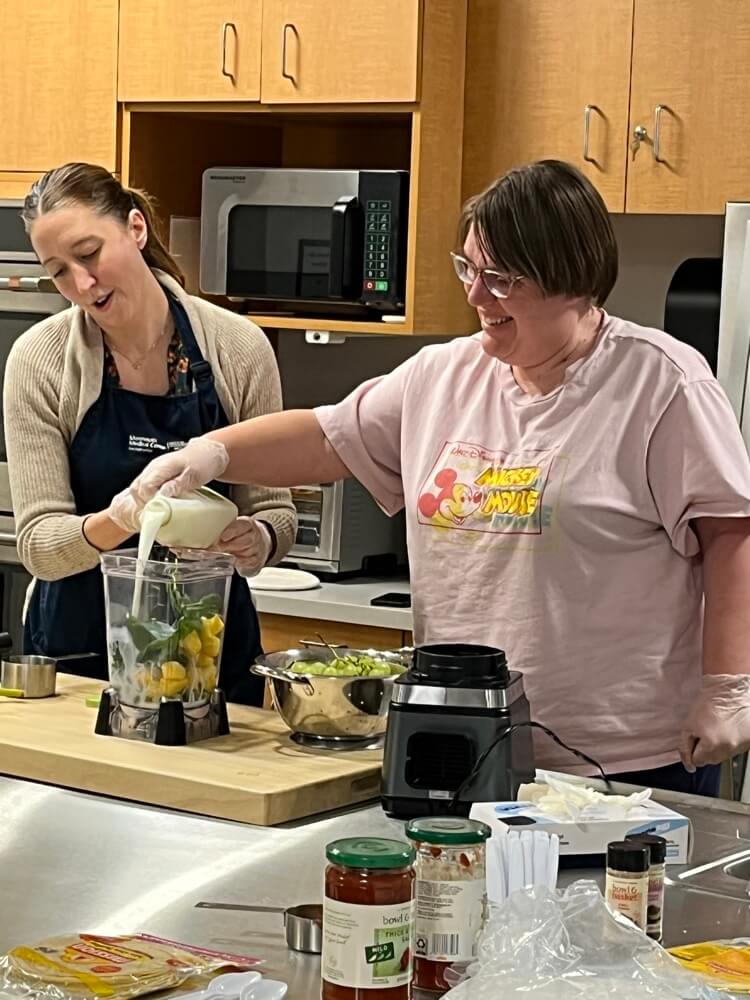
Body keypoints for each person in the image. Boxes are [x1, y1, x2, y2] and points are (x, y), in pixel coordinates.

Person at [125, 160, 750, 795]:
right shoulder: (441, 375)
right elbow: (327, 436)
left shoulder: (661, 384)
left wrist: (728, 687)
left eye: (500, 279)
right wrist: (211, 453)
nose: (476, 295)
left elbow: (730, 536)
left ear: (572, 279)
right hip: (460, 741)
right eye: (468, 269)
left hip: (623, 758)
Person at [4, 162, 296, 706]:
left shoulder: (239, 349)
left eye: (90, 254)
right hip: (80, 659)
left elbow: (275, 511)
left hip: (210, 653)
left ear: (135, 228)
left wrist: (257, 539)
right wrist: (122, 518)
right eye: (59, 271)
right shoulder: (41, 361)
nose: (82, 284)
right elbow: (40, 545)